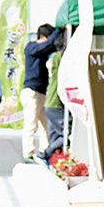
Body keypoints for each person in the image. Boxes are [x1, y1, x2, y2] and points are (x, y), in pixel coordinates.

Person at [21, 23, 61, 162]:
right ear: (42, 36)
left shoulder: (42, 51)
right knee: (31, 124)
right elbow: (48, 44)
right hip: (32, 92)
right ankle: (28, 153)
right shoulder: (31, 47)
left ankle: (45, 151)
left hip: (41, 93)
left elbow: (50, 46)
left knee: (46, 126)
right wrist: (58, 30)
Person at [42, 30, 69, 161]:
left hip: (49, 101)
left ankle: (53, 160)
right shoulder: (62, 59)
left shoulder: (53, 58)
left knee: (54, 135)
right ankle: (46, 153)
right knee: (68, 134)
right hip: (57, 103)